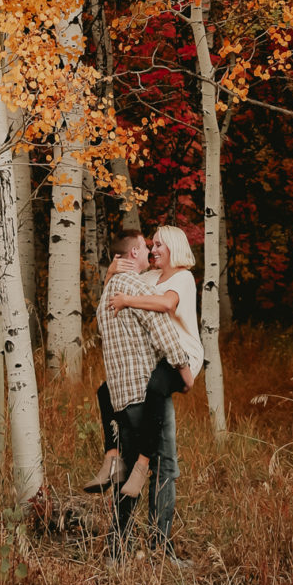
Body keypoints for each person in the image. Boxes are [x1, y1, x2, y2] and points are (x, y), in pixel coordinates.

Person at [93, 230, 193, 558]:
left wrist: (113, 270)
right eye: (146, 246)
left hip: (122, 396)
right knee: (163, 467)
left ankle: (116, 549)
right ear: (135, 252)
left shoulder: (110, 291)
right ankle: (159, 548)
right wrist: (184, 370)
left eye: (157, 245)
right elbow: (163, 328)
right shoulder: (138, 283)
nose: (150, 250)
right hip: (145, 389)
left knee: (132, 465)